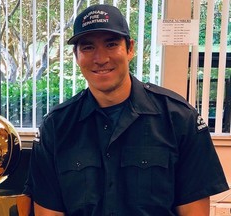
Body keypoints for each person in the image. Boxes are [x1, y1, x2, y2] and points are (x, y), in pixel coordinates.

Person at [26, 4, 229, 216]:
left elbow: (194, 212)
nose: (101, 58)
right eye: (87, 47)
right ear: (76, 56)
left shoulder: (179, 119)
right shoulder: (56, 127)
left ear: (130, 48)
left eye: (111, 44)